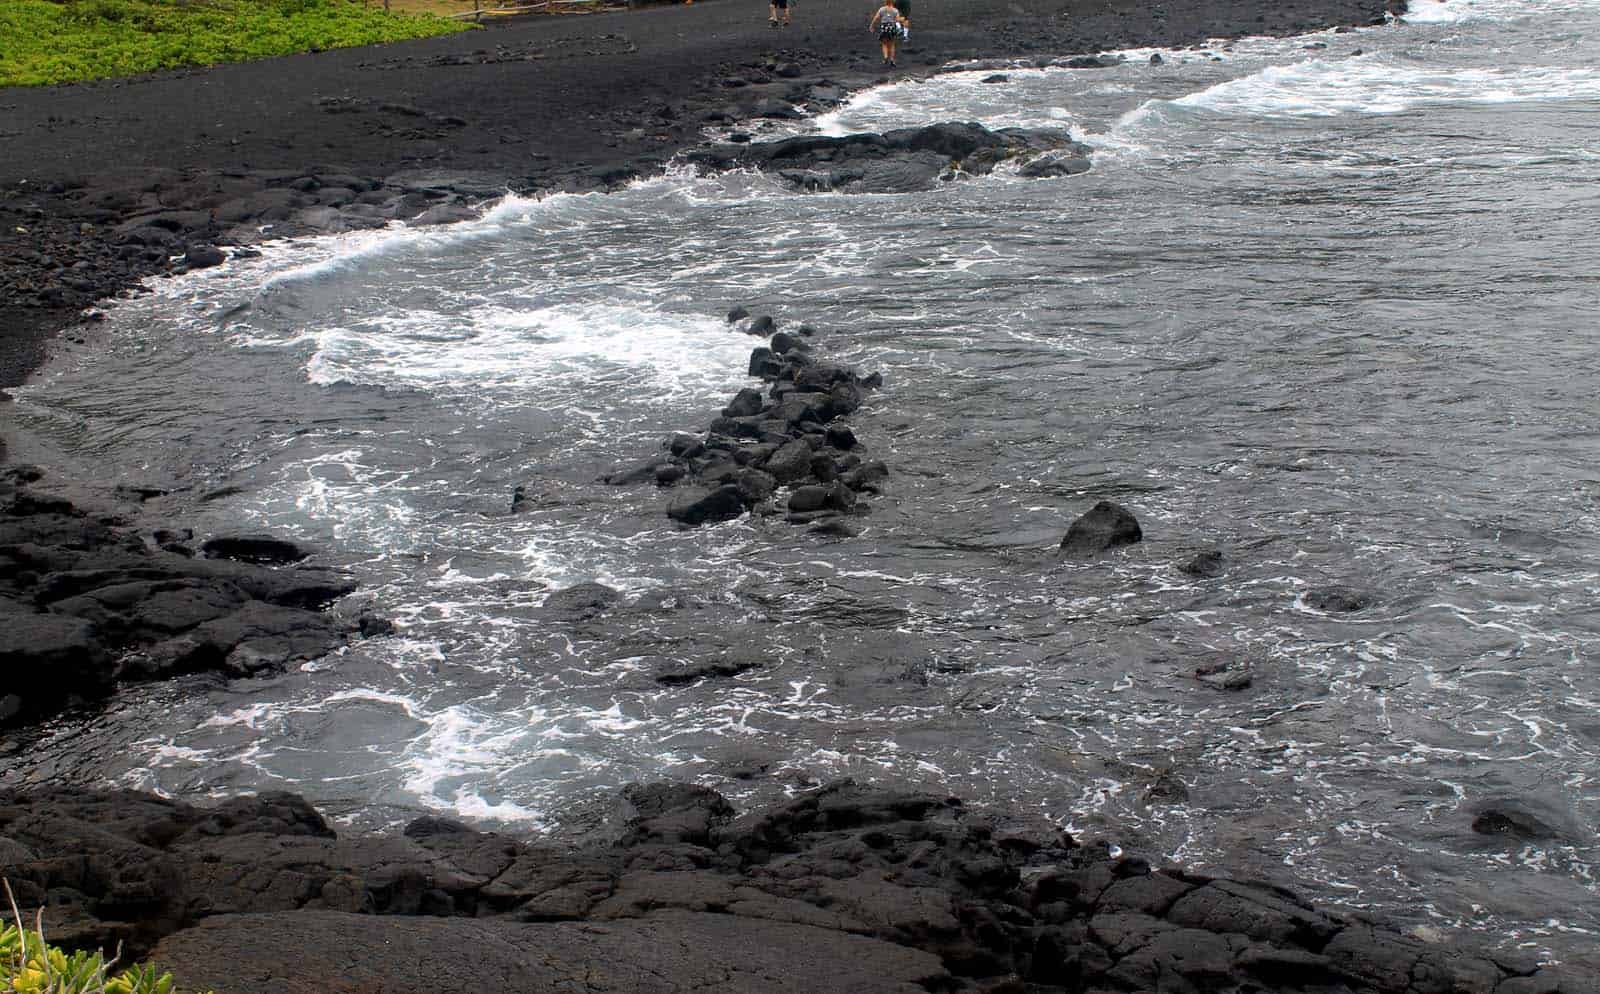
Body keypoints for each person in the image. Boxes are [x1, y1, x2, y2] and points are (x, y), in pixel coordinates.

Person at [870, 0, 904, 67]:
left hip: (884, 27)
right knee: (892, 44)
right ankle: (892, 60)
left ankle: (885, 57)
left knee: (884, 43)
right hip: (892, 27)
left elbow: (876, 18)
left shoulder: (882, 9)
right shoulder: (895, 10)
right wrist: (901, 20)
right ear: (892, 2)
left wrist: (872, 25)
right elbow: (897, 20)